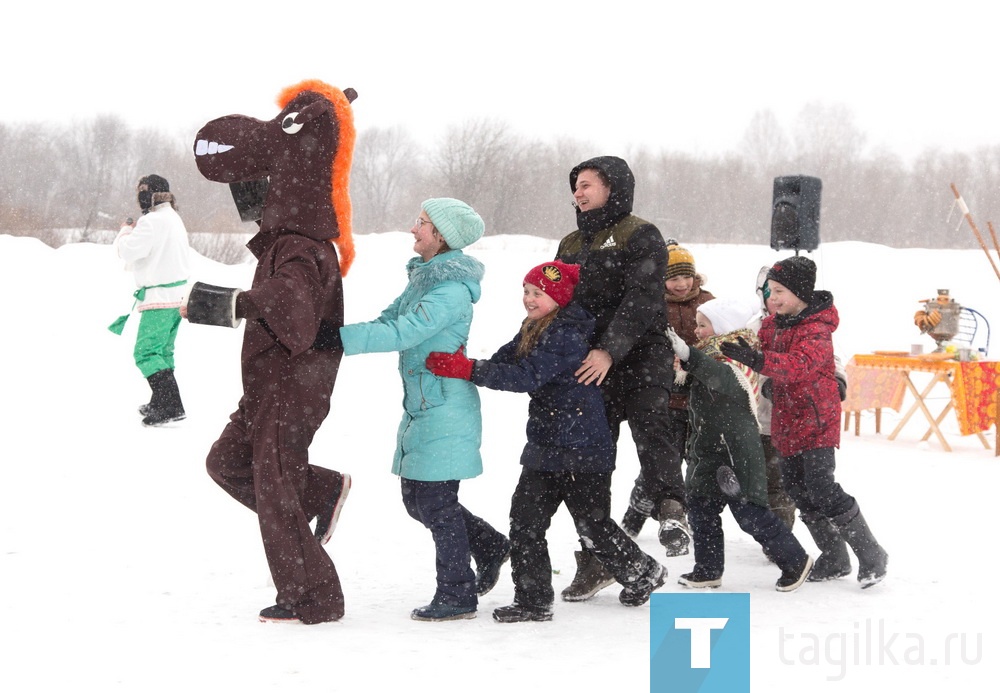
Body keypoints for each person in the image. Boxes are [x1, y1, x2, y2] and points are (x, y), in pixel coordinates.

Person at [427, 260, 667, 622]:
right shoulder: (535, 326)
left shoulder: (568, 334)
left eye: (537, 293)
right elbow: (506, 359)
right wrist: (469, 363)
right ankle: (534, 599)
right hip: (547, 444)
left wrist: (470, 370)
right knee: (525, 522)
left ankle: (642, 572)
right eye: (526, 290)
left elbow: (527, 375)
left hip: (582, 446)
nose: (528, 298)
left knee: (592, 525)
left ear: (558, 297)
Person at [330, 198, 509, 622]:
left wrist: (336, 342)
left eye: (422, 223)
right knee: (418, 500)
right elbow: (389, 317)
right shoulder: (423, 281)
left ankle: (457, 593)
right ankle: (490, 545)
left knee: (436, 503)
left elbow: (404, 331)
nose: (414, 229)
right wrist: (334, 334)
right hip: (424, 403)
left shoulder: (448, 291)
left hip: (445, 406)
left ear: (441, 235)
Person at [553, 155, 685, 603]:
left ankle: (671, 510)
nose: (579, 192)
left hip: (641, 354)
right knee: (589, 465)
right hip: (590, 365)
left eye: (588, 184)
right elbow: (559, 301)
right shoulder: (570, 241)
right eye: (576, 186)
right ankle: (596, 560)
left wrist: (611, 348)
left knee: (652, 430)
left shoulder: (639, 233)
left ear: (614, 188)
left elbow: (643, 298)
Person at [721, 256, 889, 588]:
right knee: (798, 489)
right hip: (785, 417)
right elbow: (765, 360)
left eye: (780, 291)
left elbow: (799, 365)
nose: (774, 298)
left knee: (823, 488)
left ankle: (871, 554)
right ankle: (834, 556)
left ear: (800, 292)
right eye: (770, 291)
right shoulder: (770, 325)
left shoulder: (817, 327)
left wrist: (760, 362)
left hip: (816, 417)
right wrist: (748, 362)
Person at [666, 297, 813, 591]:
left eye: (702, 325)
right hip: (708, 447)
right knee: (700, 508)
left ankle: (795, 560)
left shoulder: (737, 356)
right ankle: (708, 570)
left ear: (722, 327)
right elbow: (689, 385)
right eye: (696, 324)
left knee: (750, 512)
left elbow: (722, 379)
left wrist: (690, 357)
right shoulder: (708, 354)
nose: (696, 330)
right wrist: (677, 368)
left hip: (735, 450)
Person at [621, 244, 714, 538]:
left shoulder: (708, 303)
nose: (681, 284)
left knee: (699, 465)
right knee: (663, 462)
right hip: (668, 400)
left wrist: (695, 355)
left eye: (685, 276)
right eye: (673, 278)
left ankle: (696, 522)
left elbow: (718, 339)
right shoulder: (654, 305)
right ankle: (634, 517)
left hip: (700, 400)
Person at [110, 174, 191, 427]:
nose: (140, 197)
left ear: (151, 194)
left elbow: (128, 251)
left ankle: (171, 406)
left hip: (160, 298)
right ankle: (161, 401)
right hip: (177, 298)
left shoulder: (152, 221)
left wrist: (124, 231)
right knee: (163, 352)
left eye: (142, 192)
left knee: (145, 353)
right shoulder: (172, 218)